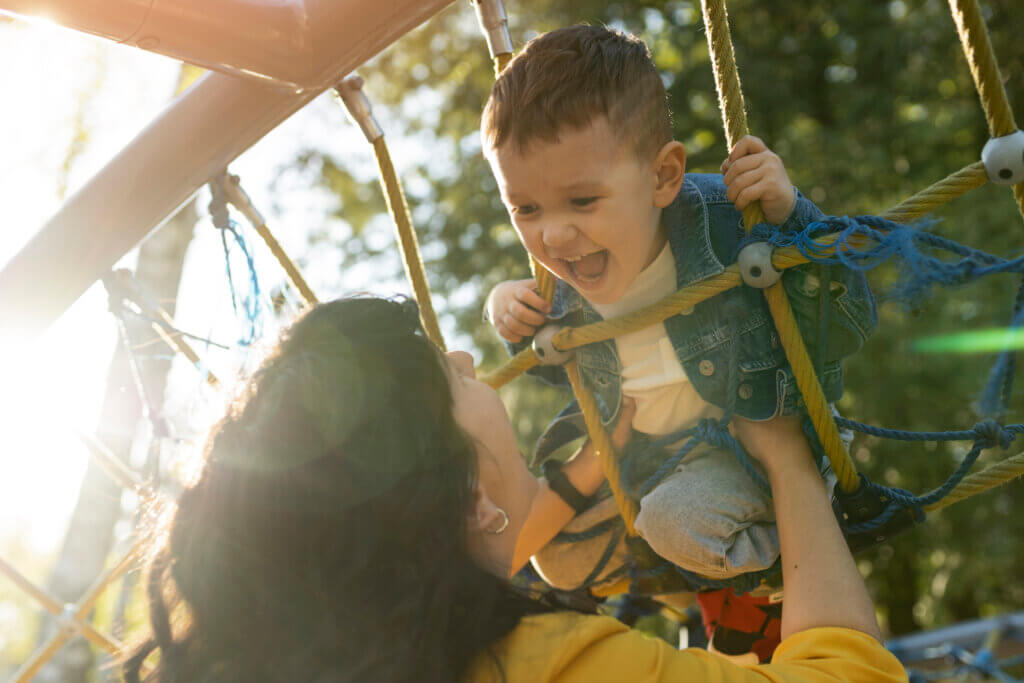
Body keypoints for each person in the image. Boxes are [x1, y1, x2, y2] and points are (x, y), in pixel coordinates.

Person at [122, 296, 904, 681]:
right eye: (446, 372)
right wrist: (790, 462)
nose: (468, 358)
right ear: (462, 490)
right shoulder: (538, 660)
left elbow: (526, 521)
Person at [481, 25, 875, 655]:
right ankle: (706, 577)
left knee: (672, 523)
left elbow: (852, 323)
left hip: (759, 436)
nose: (554, 237)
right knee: (555, 557)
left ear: (663, 176)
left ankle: (793, 548)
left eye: (581, 200)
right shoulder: (570, 278)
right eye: (525, 210)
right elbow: (557, 367)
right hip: (662, 463)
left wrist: (792, 216)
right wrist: (506, 307)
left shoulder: (728, 223)